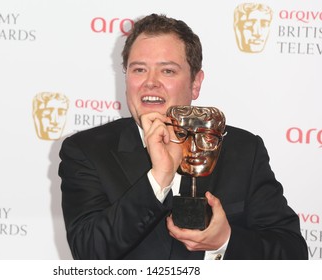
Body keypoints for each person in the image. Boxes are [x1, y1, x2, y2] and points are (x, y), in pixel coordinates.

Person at [58, 13, 308, 260]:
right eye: (139, 69)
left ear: (195, 83)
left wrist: (225, 241)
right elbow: (88, 252)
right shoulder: (86, 151)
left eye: (167, 71)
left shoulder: (243, 150)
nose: (150, 82)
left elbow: (292, 254)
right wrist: (159, 178)